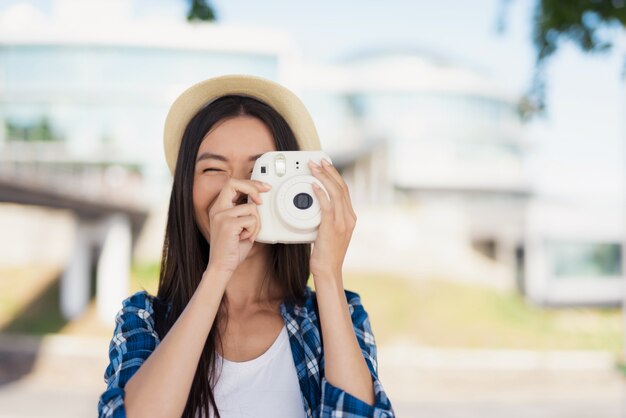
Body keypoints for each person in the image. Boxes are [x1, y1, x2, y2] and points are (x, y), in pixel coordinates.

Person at [97, 74, 396, 418]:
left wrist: (328, 274)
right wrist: (218, 272)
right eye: (212, 168)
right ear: (184, 190)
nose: (237, 189)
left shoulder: (337, 316)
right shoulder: (144, 319)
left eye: (260, 169)